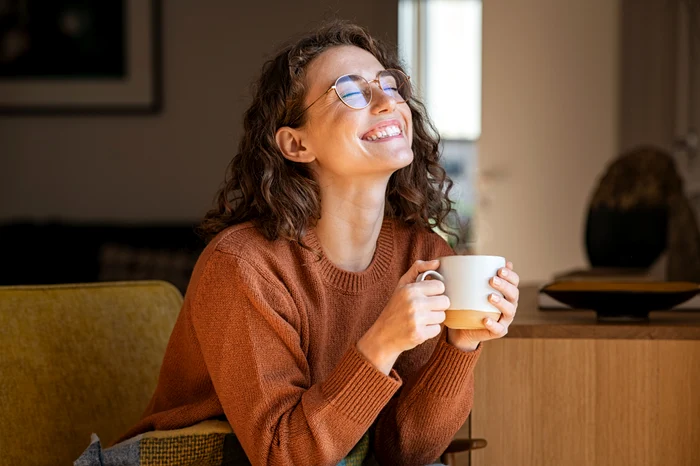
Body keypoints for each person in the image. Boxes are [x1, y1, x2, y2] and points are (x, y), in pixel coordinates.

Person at [117, 21, 520, 466]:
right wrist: (381, 344)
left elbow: (403, 454)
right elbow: (280, 455)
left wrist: (459, 346)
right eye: (351, 91)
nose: (388, 101)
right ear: (296, 143)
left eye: (390, 84)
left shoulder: (424, 256)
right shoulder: (243, 266)